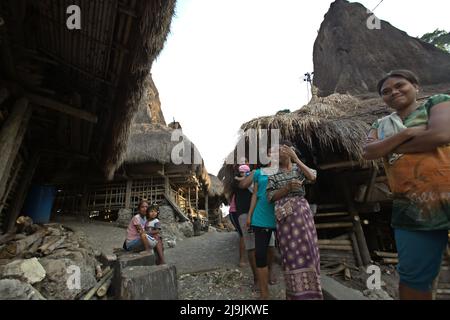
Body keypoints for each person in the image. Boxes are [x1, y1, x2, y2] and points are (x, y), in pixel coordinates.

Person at [363, 69, 450, 300]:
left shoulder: (438, 103)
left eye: (400, 85)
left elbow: (441, 134)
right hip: (411, 207)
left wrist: (388, 146)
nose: (394, 92)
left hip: (447, 193)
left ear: (416, 86)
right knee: (413, 276)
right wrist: (407, 134)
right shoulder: (380, 124)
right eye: (386, 91)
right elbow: (368, 151)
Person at [267, 142, 323, 300]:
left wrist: (296, 159)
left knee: (309, 251)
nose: (275, 155)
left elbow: (312, 177)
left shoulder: (299, 169)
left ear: (288, 152)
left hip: (302, 216)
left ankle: (313, 294)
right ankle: (296, 295)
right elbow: (270, 197)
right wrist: (287, 189)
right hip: (286, 219)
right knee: (291, 253)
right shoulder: (272, 174)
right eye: (273, 153)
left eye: (278, 151)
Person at [244, 161, 277, 299]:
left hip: (280, 215)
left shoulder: (286, 171)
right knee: (260, 254)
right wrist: (250, 215)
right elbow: (255, 195)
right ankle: (264, 293)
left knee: (275, 250)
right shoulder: (258, 173)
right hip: (261, 216)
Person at [228, 192, 246, 267]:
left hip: (244, 211)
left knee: (246, 234)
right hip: (235, 211)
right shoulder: (241, 183)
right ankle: (242, 259)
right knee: (243, 234)